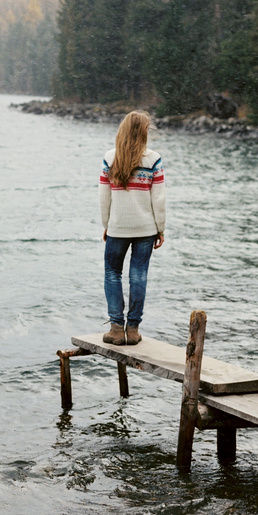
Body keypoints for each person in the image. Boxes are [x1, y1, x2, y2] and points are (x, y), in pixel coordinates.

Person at [99, 110, 165, 346]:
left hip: (118, 227)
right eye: (147, 128)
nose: (149, 131)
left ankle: (116, 329)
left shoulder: (110, 157)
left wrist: (106, 224)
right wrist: (160, 228)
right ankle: (134, 329)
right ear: (142, 132)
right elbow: (159, 198)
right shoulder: (153, 159)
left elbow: (104, 196)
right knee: (139, 275)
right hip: (145, 229)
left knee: (112, 273)